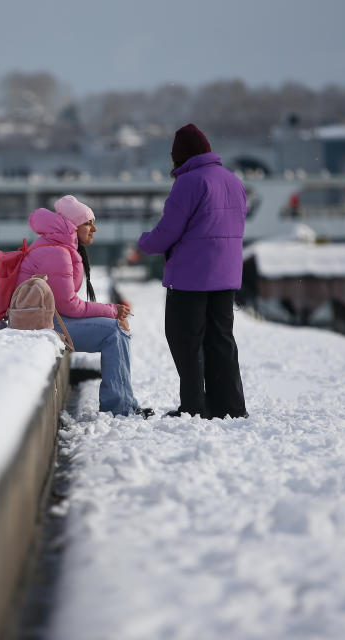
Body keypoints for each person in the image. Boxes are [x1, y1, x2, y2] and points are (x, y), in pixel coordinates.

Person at [137, 123, 249, 419]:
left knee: (185, 340)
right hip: (226, 277)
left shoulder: (188, 182)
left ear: (181, 157)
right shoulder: (234, 182)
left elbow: (167, 232)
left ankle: (194, 406)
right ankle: (229, 406)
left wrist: (144, 242)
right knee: (221, 340)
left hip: (191, 278)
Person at [18, 195, 152, 418]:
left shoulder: (59, 246)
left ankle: (123, 403)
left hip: (44, 318)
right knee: (114, 329)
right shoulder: (57, 252)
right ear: (72, 226)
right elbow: (69, 306)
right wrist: (113, 310)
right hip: (40, 323)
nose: (94, 228)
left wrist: (112, 313)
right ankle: (120, 407)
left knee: (114, 327)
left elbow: (64, 305)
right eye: (88, 223)